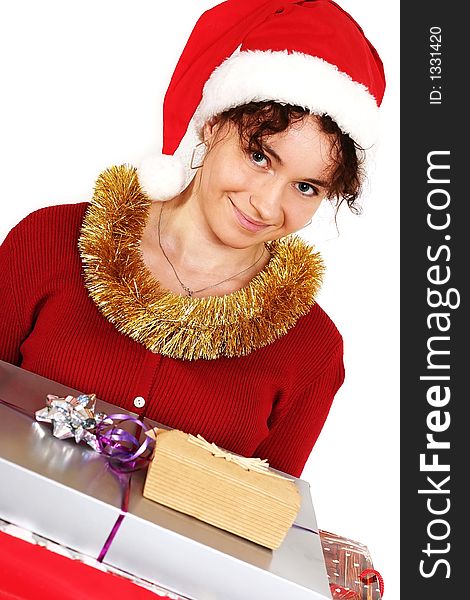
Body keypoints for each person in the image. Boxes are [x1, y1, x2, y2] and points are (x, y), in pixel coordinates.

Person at [0, 0, 385, 478]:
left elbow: (258, 522)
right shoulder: (49, 240)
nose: (266, 204)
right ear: (214, 122)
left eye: (306, 187)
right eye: (260, 157)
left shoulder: (311, 350)